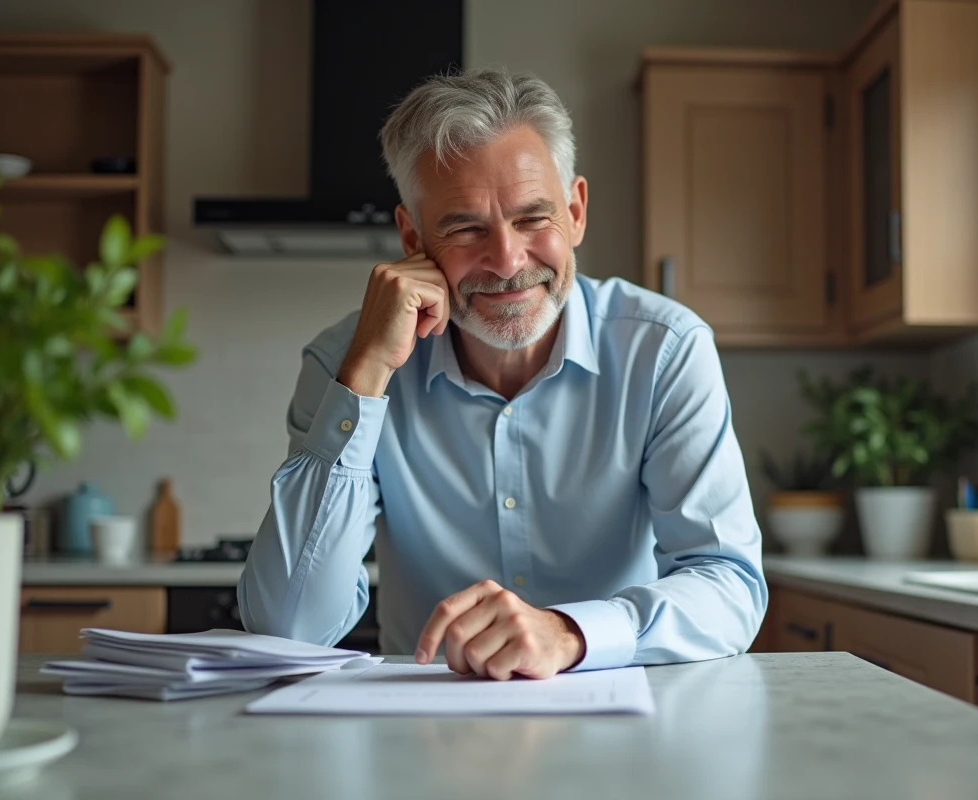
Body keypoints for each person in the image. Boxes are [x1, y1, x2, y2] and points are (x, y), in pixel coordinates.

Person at [238, 68, 766, 681]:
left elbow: (729, 587)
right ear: (412, 238)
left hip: (623, 721)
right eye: (465, 227)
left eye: (533, 218)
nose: (508, 261)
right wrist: (365, 378)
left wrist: (570, 633)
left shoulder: (666, 350)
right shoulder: (344, 363)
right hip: (423, 729)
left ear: (575, 212)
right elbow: (289, 629)